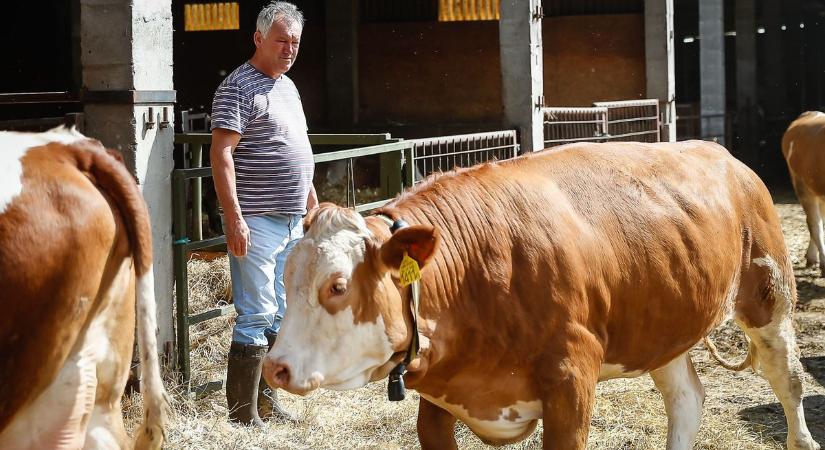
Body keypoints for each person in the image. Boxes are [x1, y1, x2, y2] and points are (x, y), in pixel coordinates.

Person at [209, 1, 318, 427]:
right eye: (281, 41)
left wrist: (310, 203)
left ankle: (267, 405)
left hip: (290, 218)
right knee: (256, 312)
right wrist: (234, 217)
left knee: (278, 312)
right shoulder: (237, 87)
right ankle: (241, 416)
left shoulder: (287, 87)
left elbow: (298, 148)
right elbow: (222, 153)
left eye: (295, 42)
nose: (289, 49)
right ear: (258, 39)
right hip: (256, 219)